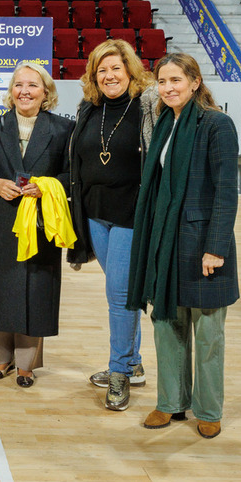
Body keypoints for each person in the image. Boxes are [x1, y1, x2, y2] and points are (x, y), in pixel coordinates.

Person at [128, 54, 239, 439]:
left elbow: (226, 190)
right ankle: (170, 402)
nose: (168, 87)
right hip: (165, 240)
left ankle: (208, 409)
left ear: (194, 82)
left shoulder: (216, 124)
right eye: (162, 81)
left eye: (176, 79)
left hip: (201, 243)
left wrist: (217, 247)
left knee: (208, 331)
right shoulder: (164, 123)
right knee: (167, 324)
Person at [68, 39, 156, 411]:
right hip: (94, 214)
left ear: (130, 70)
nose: (109, 76)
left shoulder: (147, 107)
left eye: (116, 68)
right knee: (121, 291)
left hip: (131, 214)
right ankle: (132, 363)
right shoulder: (89, 108)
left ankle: (119, 371)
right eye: (102, 70)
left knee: (118, 296)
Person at [0, 62, 72, 388]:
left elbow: (73, 177)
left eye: (32, 85)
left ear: (46, 93)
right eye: (19, 85)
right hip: (0, 219)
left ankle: (27, 363)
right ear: (10, 91)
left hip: (41, 222)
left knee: (36, 291)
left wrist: (48, 186)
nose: (24, 91)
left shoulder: (62, 130)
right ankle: (1, 358)